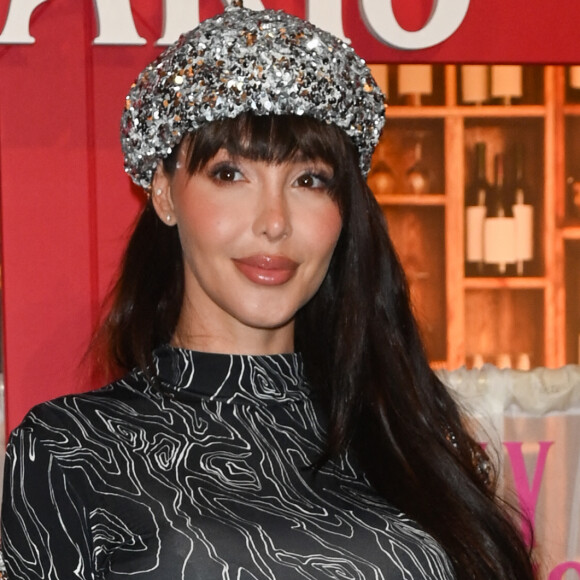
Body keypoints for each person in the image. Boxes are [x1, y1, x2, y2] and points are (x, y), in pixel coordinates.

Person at [1, 2, 535, 579]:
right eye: (231, 174)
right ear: (163, 193)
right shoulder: (71, 449)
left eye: (309, 180)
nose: (274, 221)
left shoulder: (409, 436)